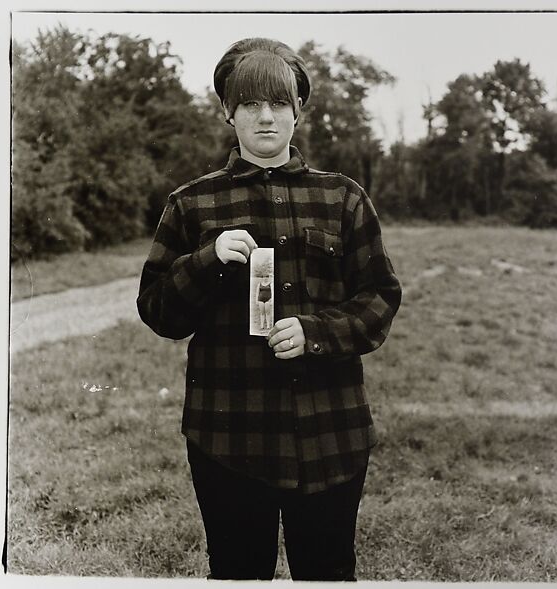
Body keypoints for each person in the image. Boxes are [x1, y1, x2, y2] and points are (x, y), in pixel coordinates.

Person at [137, 37, 401, 581]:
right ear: (227, 111)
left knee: (328, 572)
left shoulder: (343, 197)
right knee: (237, 572)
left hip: (332, 435)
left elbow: (380, 297)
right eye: (250, 104)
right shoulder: (191, 204)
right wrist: (206, 261)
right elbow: (159, 312)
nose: (265, 116)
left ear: (298, 111)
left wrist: (317, 333)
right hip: (227, 438)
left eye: (279, 103)